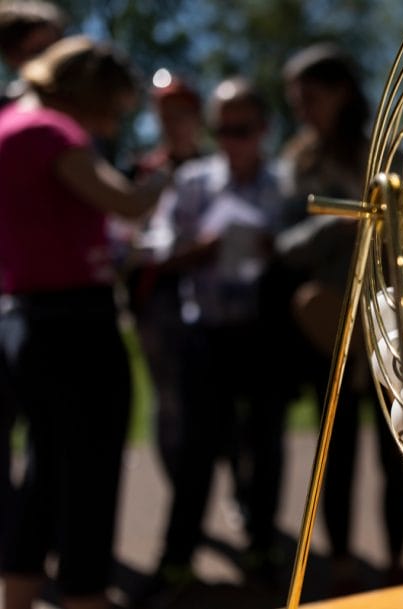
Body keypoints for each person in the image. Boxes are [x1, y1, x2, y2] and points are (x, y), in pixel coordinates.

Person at [0, 35, 158, 609]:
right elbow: (127, 204)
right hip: (76, 325)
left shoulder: (6, 124)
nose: (114, 121)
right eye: (115, 107)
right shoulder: (52, 132)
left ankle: (16, 599)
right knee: (89, 480)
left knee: (44, 474)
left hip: (25, 320)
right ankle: (86, 596)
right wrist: (160, 178)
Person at [277, 43, 403, 591]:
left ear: (341, 94)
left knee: (396, 445)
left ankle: (400, 560)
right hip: (328, 324)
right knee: (335, 445)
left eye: (310, 98)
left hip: (386, 322)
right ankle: (340, 563)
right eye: (295, 102)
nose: (303, 110)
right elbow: (284, 243)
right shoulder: (298, 162)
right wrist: (335, 226)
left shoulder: (385, 154)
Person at [149, 76, 288, 595]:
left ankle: (263, 547)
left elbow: (299, 252)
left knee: (265, 445)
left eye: (243, 129)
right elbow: (156, 251)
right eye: (223, 129)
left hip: (261, 334)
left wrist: (277, 250)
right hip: (204, 335)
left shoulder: (283, 186)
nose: (231, 140)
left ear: (264, 129)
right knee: (196, 449)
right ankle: (176, 558)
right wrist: (198, 250)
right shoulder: (192, 182)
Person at [0, 0, 64, 563]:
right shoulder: (30, 123)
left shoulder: (57, 119)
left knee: (48, 448)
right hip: (24, 303)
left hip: (34, 302)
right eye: (41, 47)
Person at [128, 71, 206, 483]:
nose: (172, 122)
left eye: (180, 112)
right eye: (164, 113)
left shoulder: (215, 168)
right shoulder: (142, 171)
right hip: (158, 296)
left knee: (211, 396)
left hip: (212, 293)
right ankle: (179, 486)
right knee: (169, 397)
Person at [0, 0, 65, 103]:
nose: (52, 57)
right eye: (39, 51)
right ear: (12, 55)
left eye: (57, 48)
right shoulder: (6, 106)